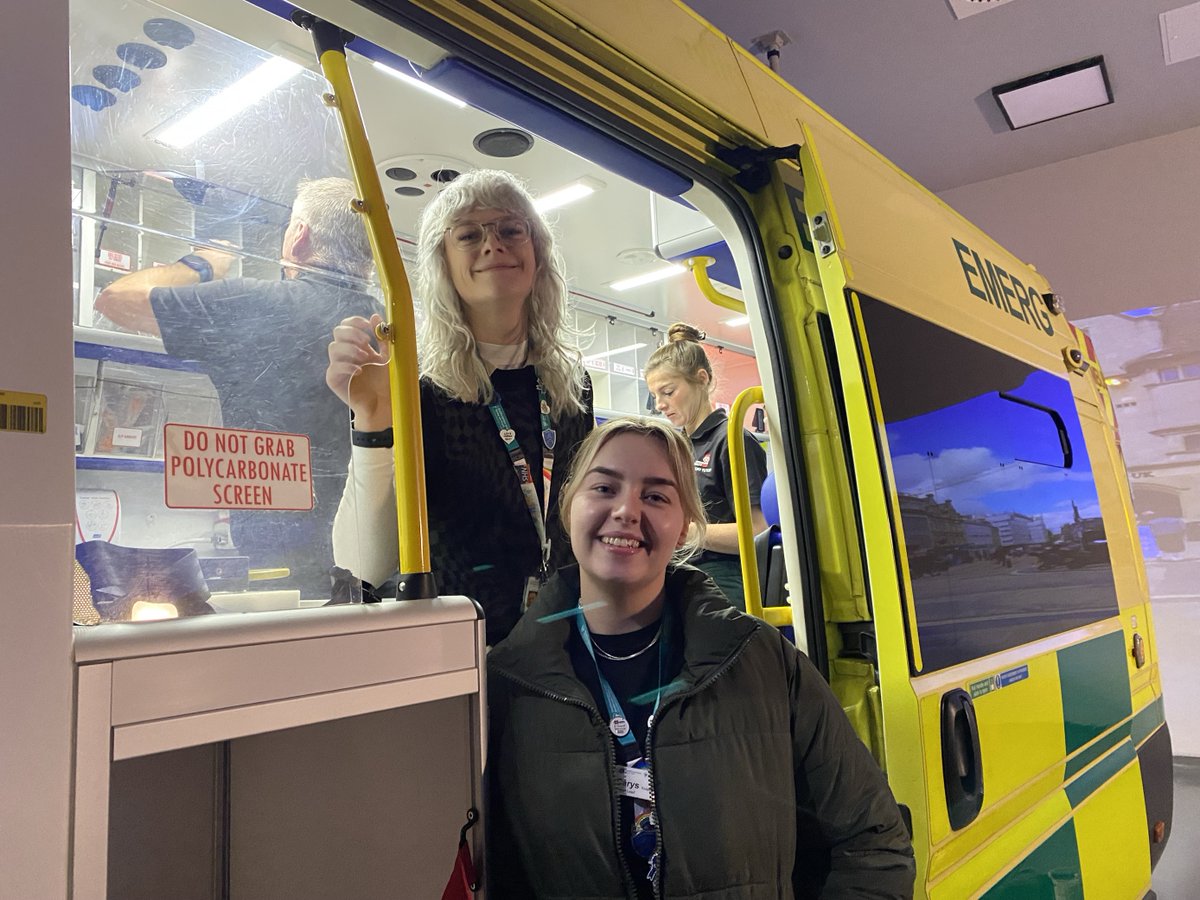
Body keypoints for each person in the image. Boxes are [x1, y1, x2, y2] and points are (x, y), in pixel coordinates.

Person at [485, 417, 915, 899]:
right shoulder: (505, 681)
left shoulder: (764, 663)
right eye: (604, 487)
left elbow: (875, 844)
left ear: (686, 524)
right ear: (568, 507)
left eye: (656, 496)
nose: (626, 510)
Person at [327, 169, 593, 644]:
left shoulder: (572, 385)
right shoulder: (416, 384)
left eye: (511, 229)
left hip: (558, 643)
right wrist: (372, 418)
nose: (494, 245)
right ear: (442, 262)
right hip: (454, 650)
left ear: (537, 254)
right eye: (469, 234)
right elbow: (363, 565)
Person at [95, 176, 376, 598]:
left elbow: (116, 298)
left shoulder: (257, 306)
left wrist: (206, 261)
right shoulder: (390, 325)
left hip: (279, 567)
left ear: (299, 238)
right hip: (374, 556)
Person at [645, 322, 768, 608]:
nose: (660, 404)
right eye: (654, 396)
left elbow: (757, 530)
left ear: (701, 379)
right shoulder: (675, 446)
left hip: (723, 578)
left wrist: (685, 533)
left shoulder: (732, 439)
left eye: (668, 391)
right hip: (677, 572)